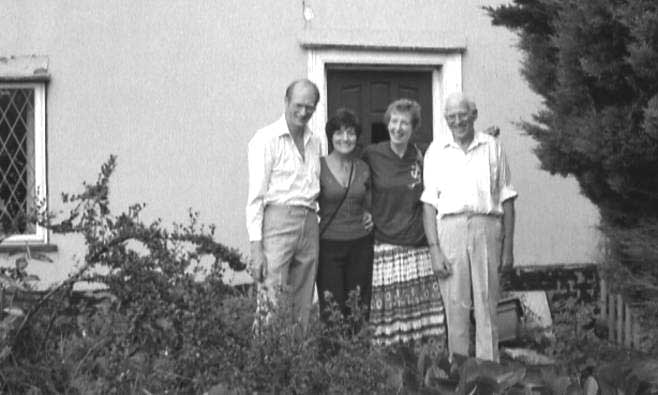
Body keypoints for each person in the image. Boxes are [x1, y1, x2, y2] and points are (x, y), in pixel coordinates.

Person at [421, 92, 517, 362]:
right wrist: (434, 251)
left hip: (486, 227)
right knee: (455, 305)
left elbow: (507, 198)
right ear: (445, 119)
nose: (458, 121)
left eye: (463, 114)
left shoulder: (492, 147)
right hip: (449, 229)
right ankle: (459, 373)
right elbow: (429, 204)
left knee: (487, 303)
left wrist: (508, 248)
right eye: (451, 116)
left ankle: (489, 371)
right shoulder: (436, 151)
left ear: (474, 115)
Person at [364, 99, 446, 354]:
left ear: (414, 128)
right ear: (387, 123)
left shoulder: (421, 156)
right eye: (394, 121)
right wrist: (364, 211)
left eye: (405, 123)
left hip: (418, 247)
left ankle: (425, 375)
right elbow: (356, 184)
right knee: (390, 317)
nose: (398, 128)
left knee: (420, 315)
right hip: (386, 246)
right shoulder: (372, 154)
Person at [246, 79, 322, 329]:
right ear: (286, 102)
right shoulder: (266, 139)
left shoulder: (314, 142)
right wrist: (256, 249)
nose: (303, 112)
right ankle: (266, 364)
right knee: (272, 301)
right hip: (278, 222)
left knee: (303, 303)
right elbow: (256, 197)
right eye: (298, 105)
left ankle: (297, 364)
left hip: (309, 222)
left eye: (309, 107)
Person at [317, 108, 374, 326]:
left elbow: (368, 202)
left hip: (360, 244)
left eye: (350, 133)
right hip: (328, 246)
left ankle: (357, 355)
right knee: (332, 306)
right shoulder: (318, 167)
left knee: (358, 305)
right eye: (339, 133)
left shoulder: (363, 168)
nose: (345, 138)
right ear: (331, 136)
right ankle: (333, 357)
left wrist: (370, 214)